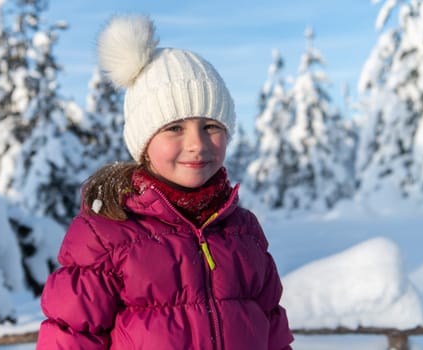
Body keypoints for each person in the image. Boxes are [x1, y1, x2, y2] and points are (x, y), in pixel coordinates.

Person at [37, 14, 293, 350]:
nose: (197, 144)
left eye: (211, 127)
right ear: (144, 142)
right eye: (175, 128)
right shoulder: (106, 236)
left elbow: (272, 332)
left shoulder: (243, 232)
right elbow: (70, 339)